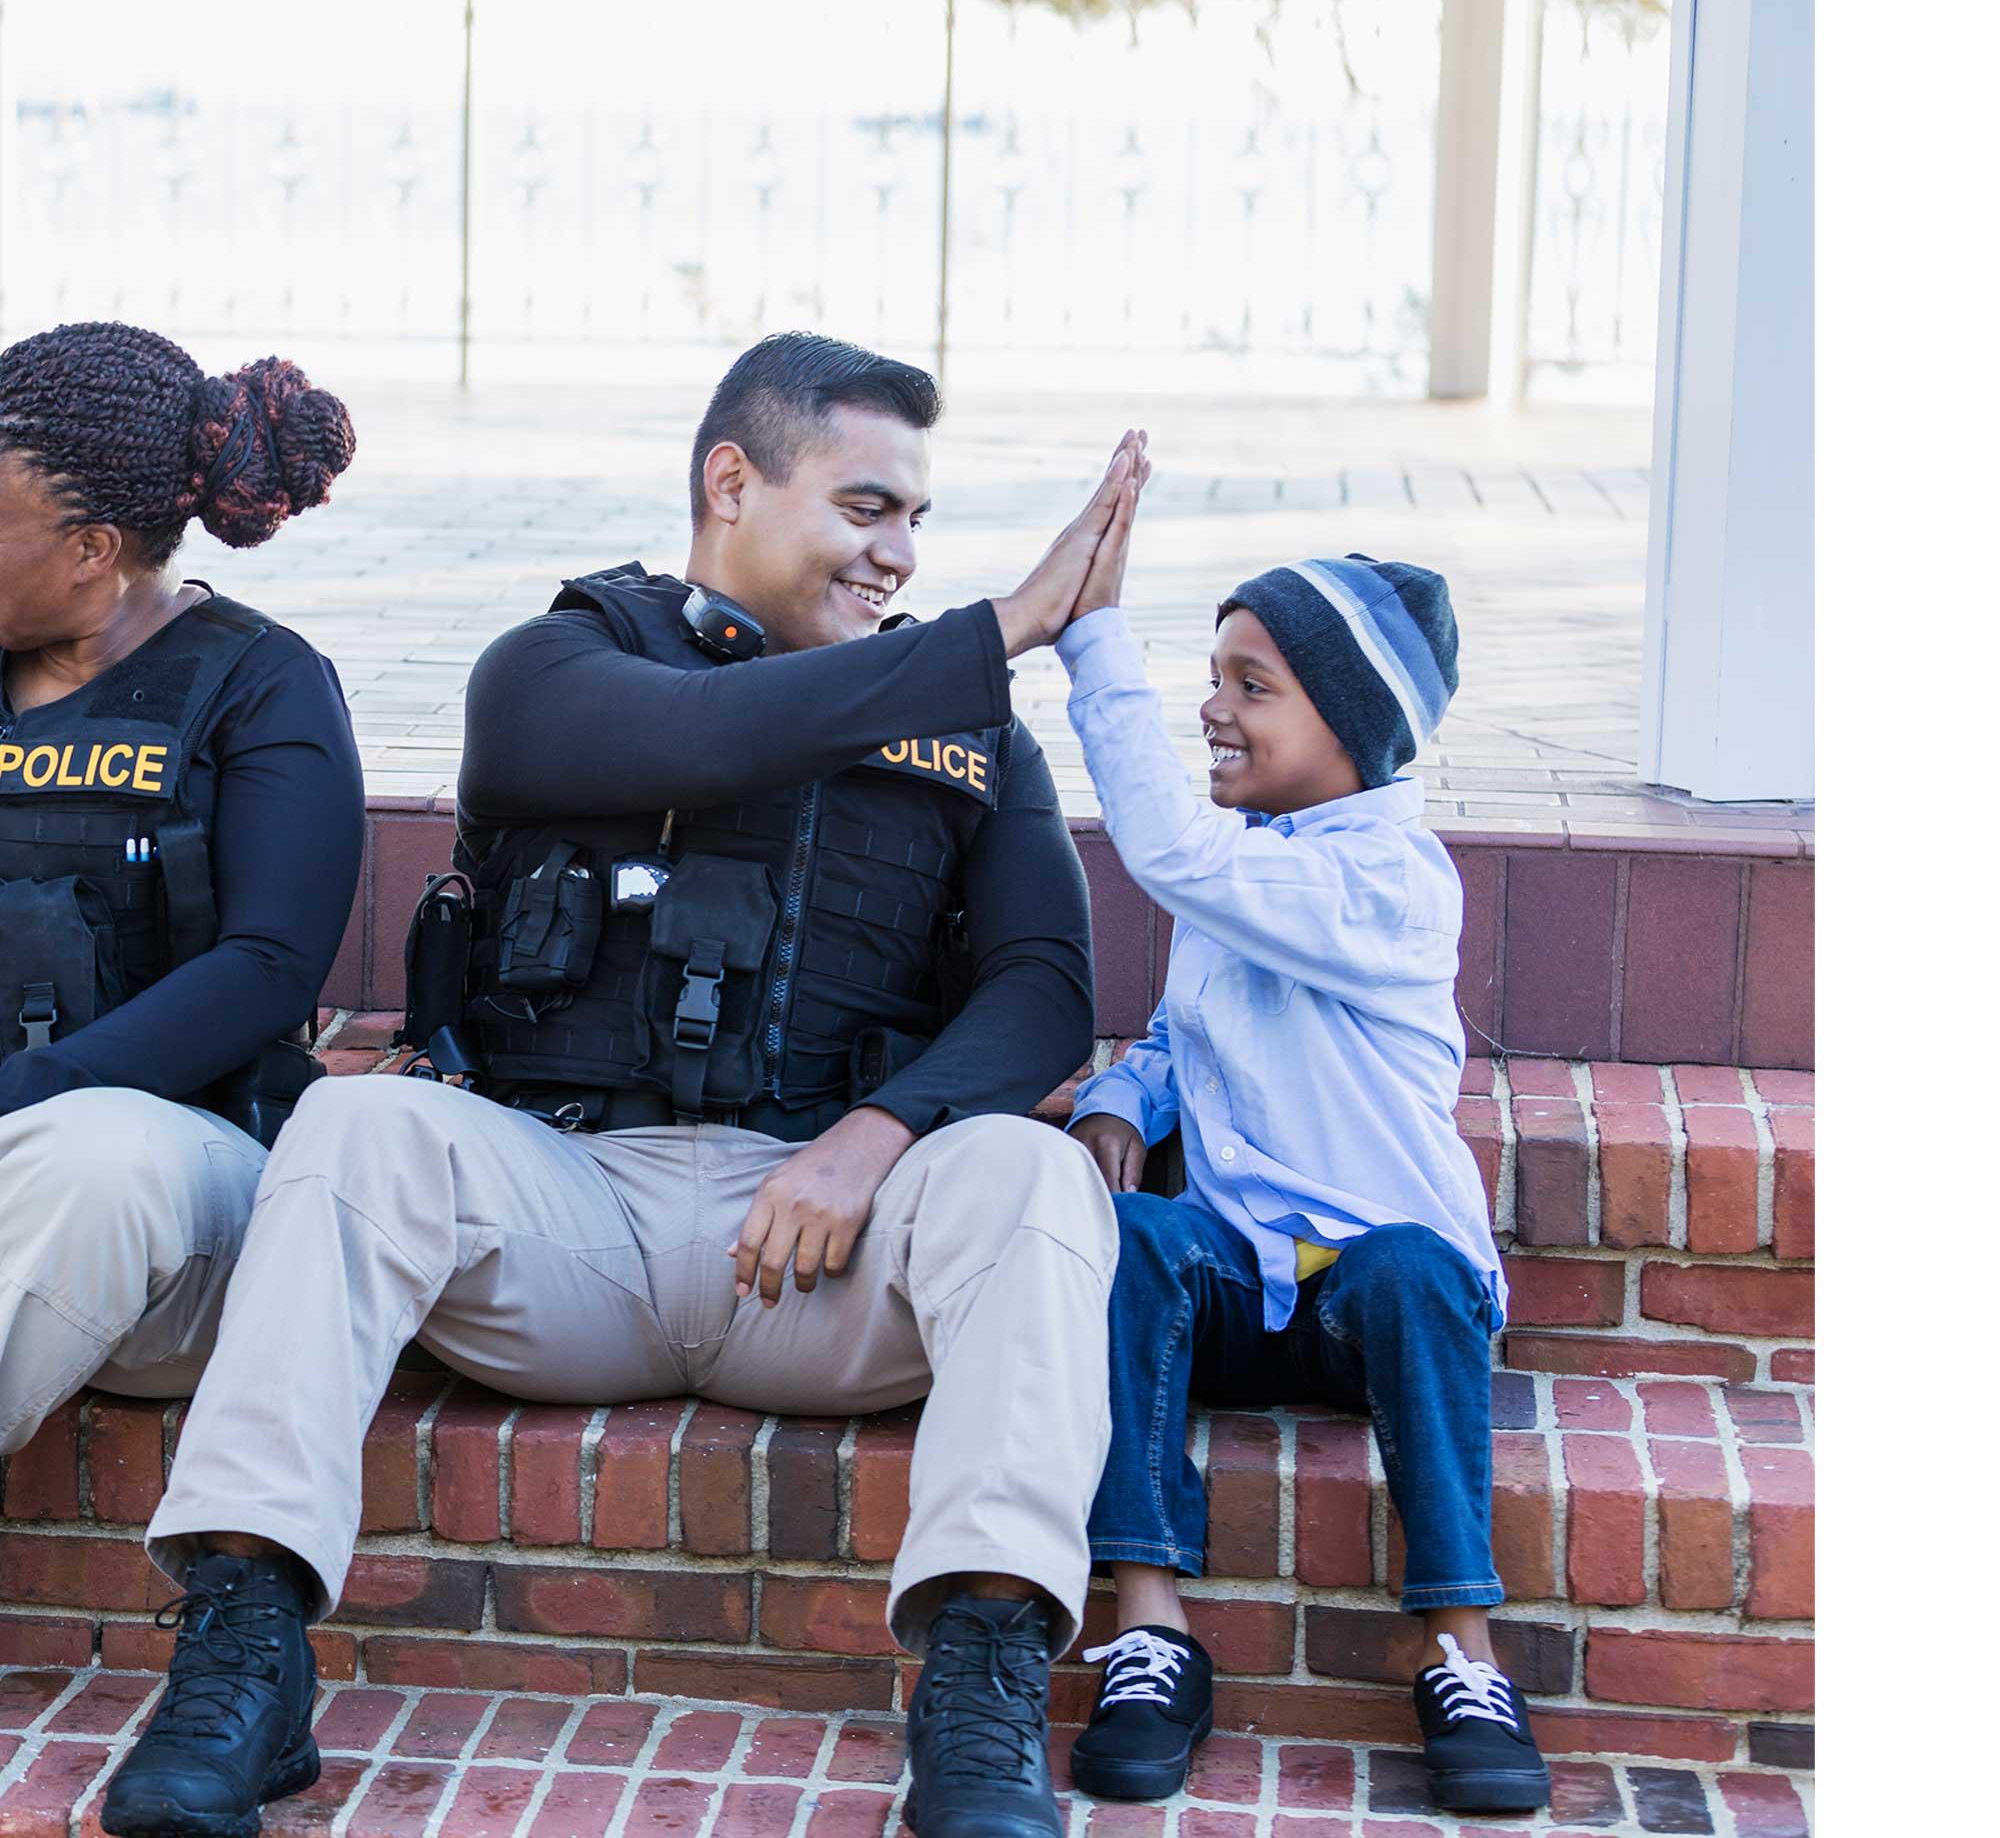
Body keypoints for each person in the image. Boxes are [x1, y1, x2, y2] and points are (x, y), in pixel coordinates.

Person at [106, 334, 1145, 1838]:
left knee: (1034, 1175)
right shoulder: (561, 665)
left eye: (916, 521)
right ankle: (240, 1655)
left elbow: (1048, 988)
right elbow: (720, 734)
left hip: (827, 1253)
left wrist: (877, 1135)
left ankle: (981, 1683)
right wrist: (1002, 626)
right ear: (733, 481)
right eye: (867, 508)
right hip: (567, 1217)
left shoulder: (973, 731)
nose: (899, 553)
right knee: (356, 1122)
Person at [1051, 484, 1551, 1814]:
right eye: (1211, 675)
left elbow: (1167, 852)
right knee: (1131, 1235)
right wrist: (1124, 1103)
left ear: (1350, 725)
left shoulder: (1387, 881)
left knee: (1415, 1268)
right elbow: (1181, 1033)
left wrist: (1090, 632)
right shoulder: (1250, 864)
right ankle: (1152, 1634)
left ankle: (1462, 1653)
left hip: (1373, 1301)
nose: (1214, 707)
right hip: (1243, 1280)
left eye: (1251, 684)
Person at [0, 320, 364, 1464]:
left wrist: (28, 1090)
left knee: (90, 1157)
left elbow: (269, 967)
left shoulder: (261, 682)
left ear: (93, 546)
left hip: (180, 1197)